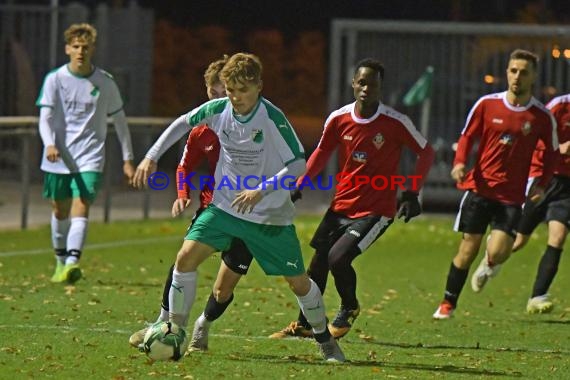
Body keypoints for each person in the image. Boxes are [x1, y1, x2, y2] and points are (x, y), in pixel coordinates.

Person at [131, 52, 345, 362]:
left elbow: (299, 164)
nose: (235, 97)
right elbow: (181, 123)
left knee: (298, 282)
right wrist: (151, 156)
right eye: (231, 90)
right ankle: (173, 330)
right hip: (224, 208)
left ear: (259, 86)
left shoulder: (271, 118)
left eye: (242, 90)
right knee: (185, 258)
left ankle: (325, 340)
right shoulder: (219, 109)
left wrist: (260, 191)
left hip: (269, 216)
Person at [270, 58, 435, 340]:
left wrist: (410, 192)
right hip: (341, 206)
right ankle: (304, 324)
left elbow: (426, 152)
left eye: (373, 83)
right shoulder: (338, 118)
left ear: (381, 87)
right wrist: (300, 183)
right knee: (317, 266)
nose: (366, 87)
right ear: (353, 84)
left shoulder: (395, 122)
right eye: (361, 82)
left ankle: (349, 307)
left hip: (376, 211)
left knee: (339, 257)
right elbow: (322, 152)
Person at [128, 56, 254, 352]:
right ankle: (163, 324)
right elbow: (184, 167)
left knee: (223, 289)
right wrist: (182, 193)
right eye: (214, 94)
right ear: (207, 93)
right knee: (183, 260)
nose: (221, 100)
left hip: (250, 214)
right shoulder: (201, 130)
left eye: (226, 93)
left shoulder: (253, 125)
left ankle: (203, 325)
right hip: (214, 208)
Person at [432, 49, 557, 319]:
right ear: (507, 72)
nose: (517, 77)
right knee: (467, 249)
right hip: (480, 189)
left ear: (533, 76)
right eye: (513, 70)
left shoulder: (541, 116)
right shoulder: (487, 104)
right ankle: (447, 303)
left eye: (524, 72)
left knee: (500, 251)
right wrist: (459, 163)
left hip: (511, 195)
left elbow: (550, 153)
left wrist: (542, 184)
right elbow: (467, 137)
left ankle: (490, 263)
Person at [36, 23, 135, 284]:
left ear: (93, 49)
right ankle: (60, 261)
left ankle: (72, 262)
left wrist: (128, 159)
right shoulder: (55, 80)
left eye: (86, 47)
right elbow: (44, 118)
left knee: (83, 205)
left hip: (90, 156)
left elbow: (120, 121)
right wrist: (49, 144)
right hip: (58, 156)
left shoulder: (104, 82)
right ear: (68, 49)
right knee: (59, 210)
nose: (81, 51)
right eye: (76, 46)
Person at [511, 93, 570, 314]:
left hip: (567, 187)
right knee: (517, 241)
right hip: (545, 178)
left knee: (558, 236)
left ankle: (537, 296)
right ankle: (491, 261)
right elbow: (534, 136)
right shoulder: (559, 106)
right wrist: (560, 148)